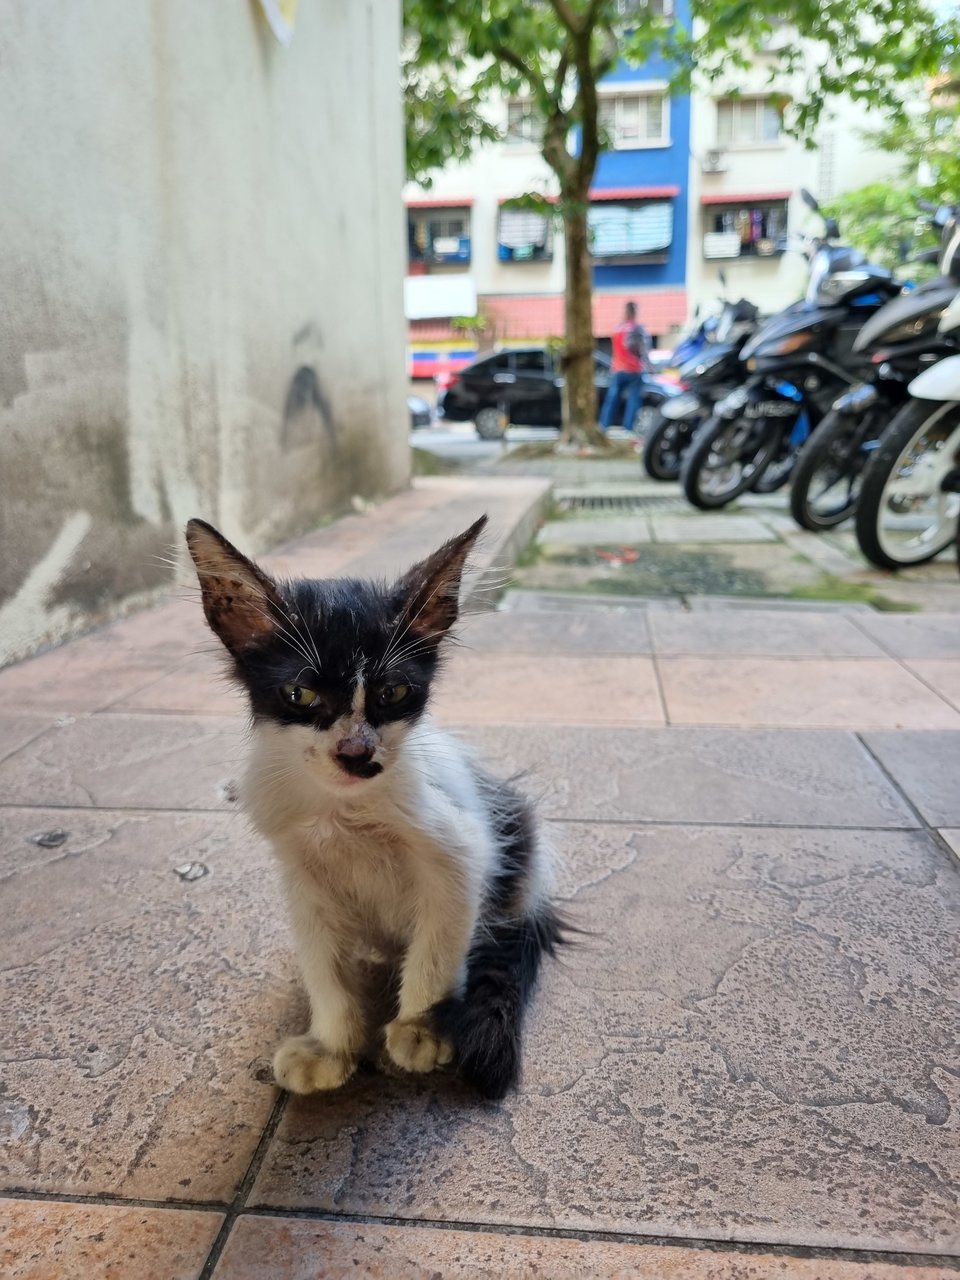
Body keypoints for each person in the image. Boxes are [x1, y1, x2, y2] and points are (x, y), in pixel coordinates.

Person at [599, 301, 650, 434]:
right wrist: (650, 367)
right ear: (635, 312)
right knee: (633, 400)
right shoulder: (637, 329)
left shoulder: (617, 329)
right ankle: (628, 429)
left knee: (612, 399)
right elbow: (643, 350)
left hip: (618, 369)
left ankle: (604, 426)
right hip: (634, 370)